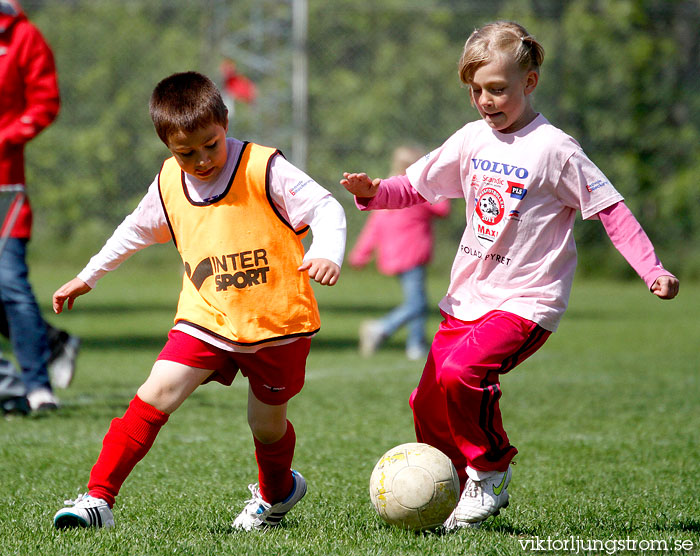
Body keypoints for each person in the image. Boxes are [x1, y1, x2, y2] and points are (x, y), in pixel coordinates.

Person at [341, 21, 679, 531]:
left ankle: (491, 470)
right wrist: (373, 192)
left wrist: (650, 269)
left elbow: (610, 209)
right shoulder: (472, 138)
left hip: (527, 301)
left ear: (530, 82)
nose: (485, 100)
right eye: (476, 90)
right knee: (427, 401)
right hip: (467, 298)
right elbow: (417, 185)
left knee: (463, 375)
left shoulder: (554, 148)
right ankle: (449, 494)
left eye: (497, 88)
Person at [51, 71, 345, 531]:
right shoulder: (170, 180)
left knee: (266, 427)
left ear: (225, 122)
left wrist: (327, 251)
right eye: (186, 153)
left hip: (277, 322)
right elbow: (134, 230)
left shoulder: (263, 166)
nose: (202, 160)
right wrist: (88, 275)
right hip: (206, 315)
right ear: (167, 145)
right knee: (155, 394)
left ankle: (278, 493)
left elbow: (327, 208)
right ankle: (97, 500)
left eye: (211, 145)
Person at [0, 0, 80, 412]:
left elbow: (44, 103)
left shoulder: (22, 35)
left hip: (5, 188)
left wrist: (6, 138)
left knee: (9, 283)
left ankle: (36, 386)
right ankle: (51, 343)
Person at [349, 145, 450, 360]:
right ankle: (380, 328)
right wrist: (440, 184)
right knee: (418, 303)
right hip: (413, 254)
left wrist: (361, 253)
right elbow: (442, 210)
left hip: (393, 256)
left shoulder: (385, 192)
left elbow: (373, 226)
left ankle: (416, 345)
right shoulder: (417, 193)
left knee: (416, 299)